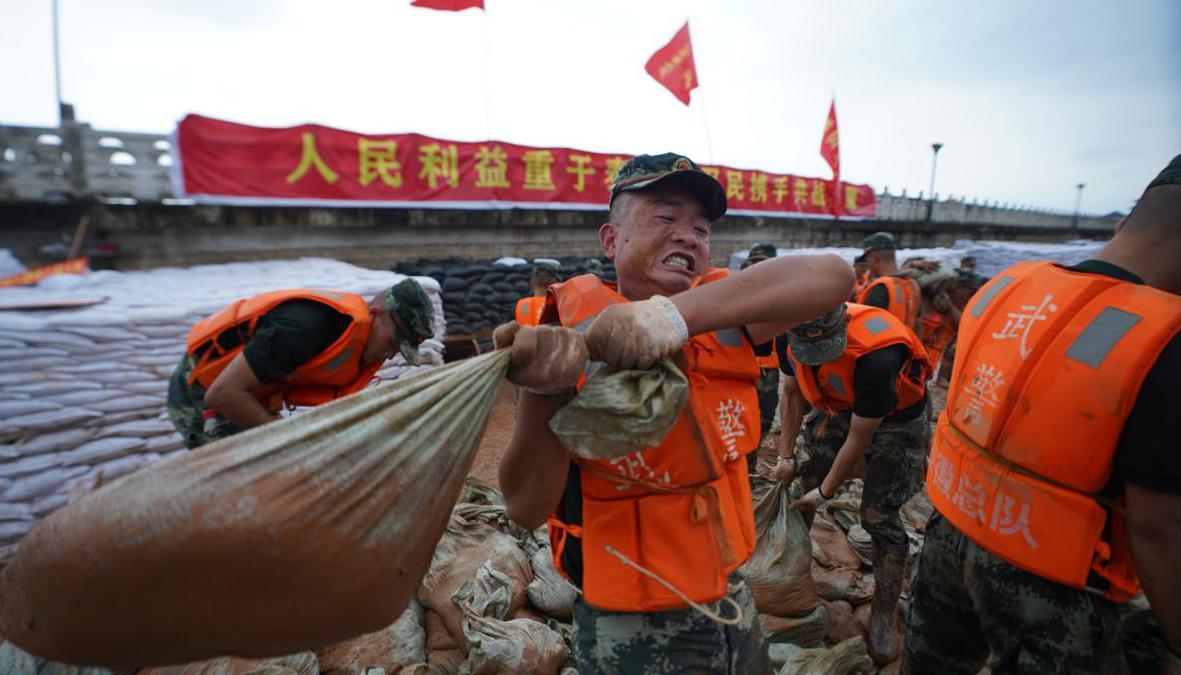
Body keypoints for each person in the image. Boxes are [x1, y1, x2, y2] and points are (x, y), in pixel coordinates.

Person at [494, 152, 854, 673]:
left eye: (701, 229)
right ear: (611, 240)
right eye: (666, 218)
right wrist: (545, 394)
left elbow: (833, 276)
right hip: (631, 626)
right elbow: (525, 509)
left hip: (731, 596)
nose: (688, 236)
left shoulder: (726, 315)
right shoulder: (565, 341)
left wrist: (669, 318)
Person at [904, 153, 1181, 674]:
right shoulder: (1172, 346)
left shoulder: (1005, 291)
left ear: (1126, 220)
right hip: (1056, 580)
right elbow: (1166, 529)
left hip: (950, 533)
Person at [773, 301, 931, 665]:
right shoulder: (788, 332)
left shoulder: (879, 357)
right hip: (838, 405)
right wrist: (785, 457)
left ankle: (883, 614)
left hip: (895, 419)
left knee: (879, 516)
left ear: (842, 320)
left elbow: (859, 439)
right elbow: (792, 393)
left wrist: (825, 493)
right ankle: (790, 578)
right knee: (801, 482)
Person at [167, 279, 434, 449]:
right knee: (245, 487)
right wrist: (293, 441)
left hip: (252, 392)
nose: (389, 355)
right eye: (392, 343)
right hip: (200, 394)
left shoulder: (356, 342)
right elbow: (223, 394)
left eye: (398, 350)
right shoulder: (302, 329)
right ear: (375, 314)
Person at [740, 241, 785, 474]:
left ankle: (748, 465)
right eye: (755, 263)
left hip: (769, 368)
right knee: (738, 417)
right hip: (739, 365)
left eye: (764, 264)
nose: (759, 269)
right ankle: (738, 466)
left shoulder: (782, 292)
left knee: (764, 420)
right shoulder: (735, 289)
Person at [858, 231, 921, 329]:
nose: (868, 265)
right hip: (907, 342)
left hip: (885, 343)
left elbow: (868, 330)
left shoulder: (880, 289)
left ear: (875, 258)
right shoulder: (912, 285)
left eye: (867, 260)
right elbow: (918, 326)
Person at [514, 262, 560, 326]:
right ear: (555, 283)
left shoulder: (522, 305)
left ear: (532, 281)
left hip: (526, 335)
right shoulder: (560, 306)